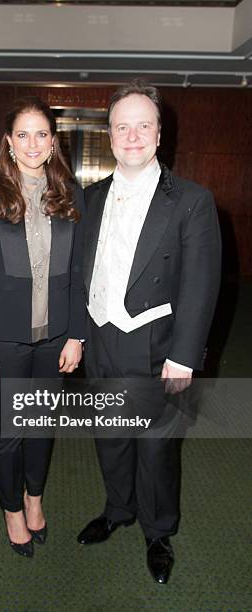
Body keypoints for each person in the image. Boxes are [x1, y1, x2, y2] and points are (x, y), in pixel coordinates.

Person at [77, 81, 221, 584]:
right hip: (100, 337)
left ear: (159, 134)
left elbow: (202, 285)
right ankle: (118, 508)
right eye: (122, 126)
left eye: (143, 125)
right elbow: (83, 272)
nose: (132, 135)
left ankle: (158, 530)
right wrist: (79, 333)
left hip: (155, 343)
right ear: (110, 135)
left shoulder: (192, 201)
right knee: (110, 436)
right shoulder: (90, 198)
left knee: (156, 445)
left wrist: (183, 357)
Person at [0, 96, 86, 557]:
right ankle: (11, 510)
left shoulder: (71, 197)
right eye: (23, 134)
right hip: (6, 340)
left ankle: (34, 498)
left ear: (53, 142)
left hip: (55, 338)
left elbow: (78, 274)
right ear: (9, 143)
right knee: (10, 430)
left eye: (42, 134)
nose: (33, 143)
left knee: (41, 424)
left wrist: (76, 335)